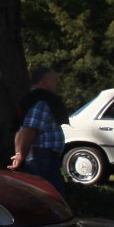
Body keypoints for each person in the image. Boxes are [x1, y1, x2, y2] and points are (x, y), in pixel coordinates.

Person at [9, 66, 68, 196]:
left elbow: (20, 130)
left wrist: (19, 153)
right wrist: (21, 155)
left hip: (41, 156)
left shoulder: (32, 99)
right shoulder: (41, 100)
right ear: (44, 81)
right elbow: (29, 130)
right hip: (42, 157)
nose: (57, 83)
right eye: (54, 79)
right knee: (54, 195)